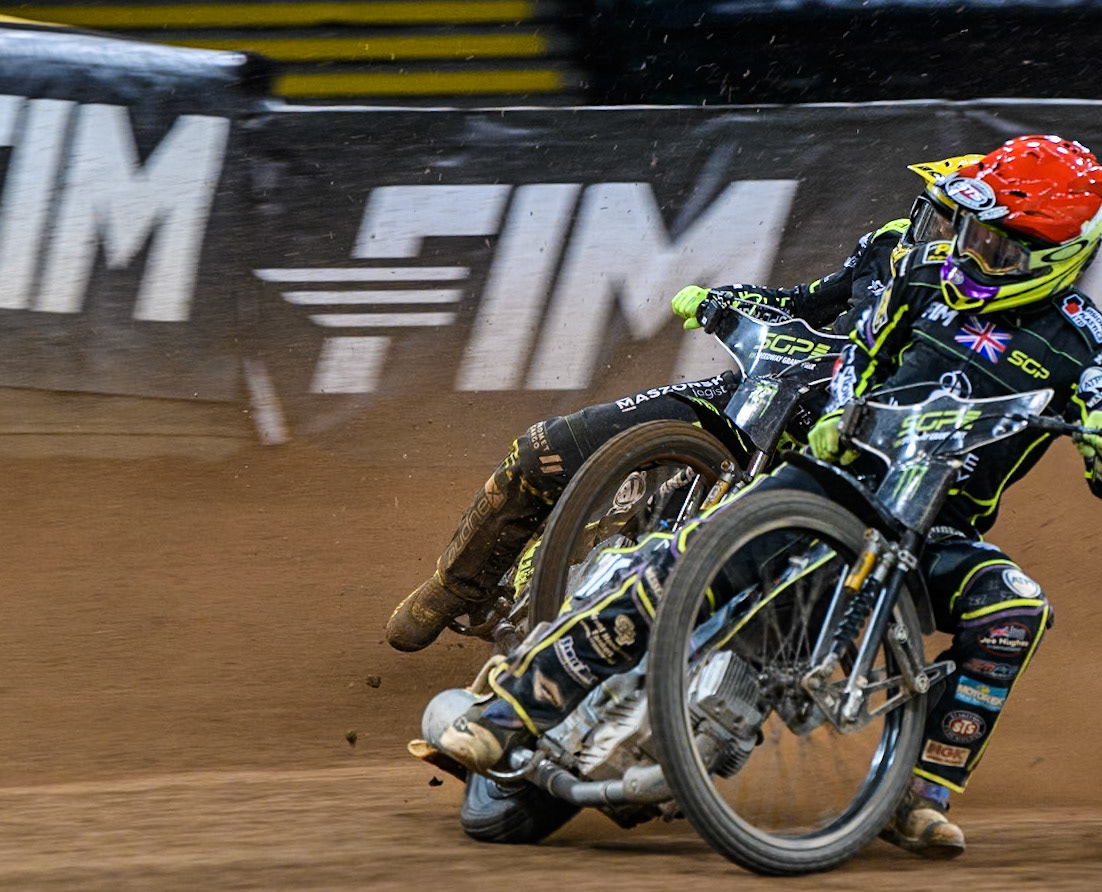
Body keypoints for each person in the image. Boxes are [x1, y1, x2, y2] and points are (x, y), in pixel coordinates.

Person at [426, 135, 1102, 860]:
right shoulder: (924, 270)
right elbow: (863, 349)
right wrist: (841, 409)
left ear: (1061, 258)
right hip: (837, 478)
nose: (973, 254)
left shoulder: (1086, 343)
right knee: (686, 563)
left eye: (999, 249)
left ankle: (919, 795)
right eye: (971, 232)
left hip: (932, 529)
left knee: (1014, 609)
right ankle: (511, 709)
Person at [384, 153, 982, 654]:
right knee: (543, 452)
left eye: (947, 220)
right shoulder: (888, 245)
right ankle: (459, 588)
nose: (927, 228)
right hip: (751, 398)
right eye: (930, 210)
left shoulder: (981, 315)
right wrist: (729, 298)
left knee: (697, 576)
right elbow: (805, 302)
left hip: (835, 452)